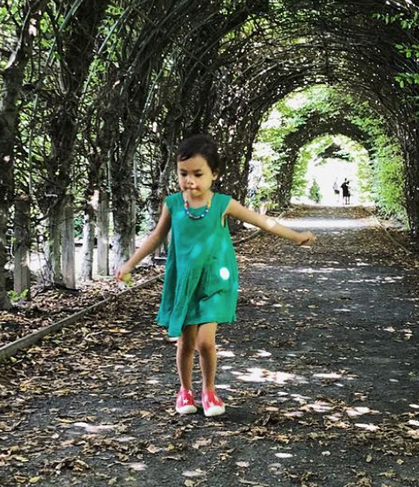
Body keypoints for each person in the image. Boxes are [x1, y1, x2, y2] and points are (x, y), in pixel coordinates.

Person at [115, 134, 315, 417]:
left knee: (205, 341)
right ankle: (185, 390)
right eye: (183, 173)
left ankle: (209, 391)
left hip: (214, 280)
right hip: (185, 281)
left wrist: (296, 237)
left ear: (214, 174)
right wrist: (130, 264)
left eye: (198, 174)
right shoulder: (173, 204)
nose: (190, 181)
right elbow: (157, 235)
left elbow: (262, 221)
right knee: (185, 342)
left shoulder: (222, 203)